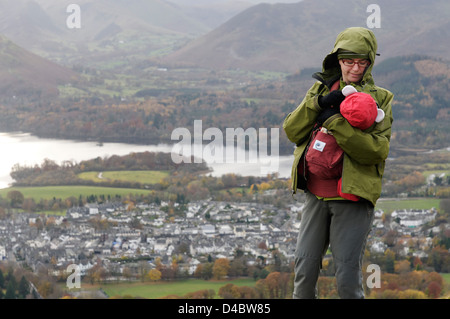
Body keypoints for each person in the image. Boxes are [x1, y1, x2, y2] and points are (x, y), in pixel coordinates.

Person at [283, 27, 394, 299]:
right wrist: (319, 104)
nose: (355, 68)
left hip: (352, 198)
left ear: (370, 62)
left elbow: (375, 151)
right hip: (315, 196)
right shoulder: (320, 89)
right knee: (304, 275)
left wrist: (334, 122)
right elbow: (292, 131)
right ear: (337, 60)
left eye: (362, 62)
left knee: (346, 280)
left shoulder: (380, 99)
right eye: (348, 61)